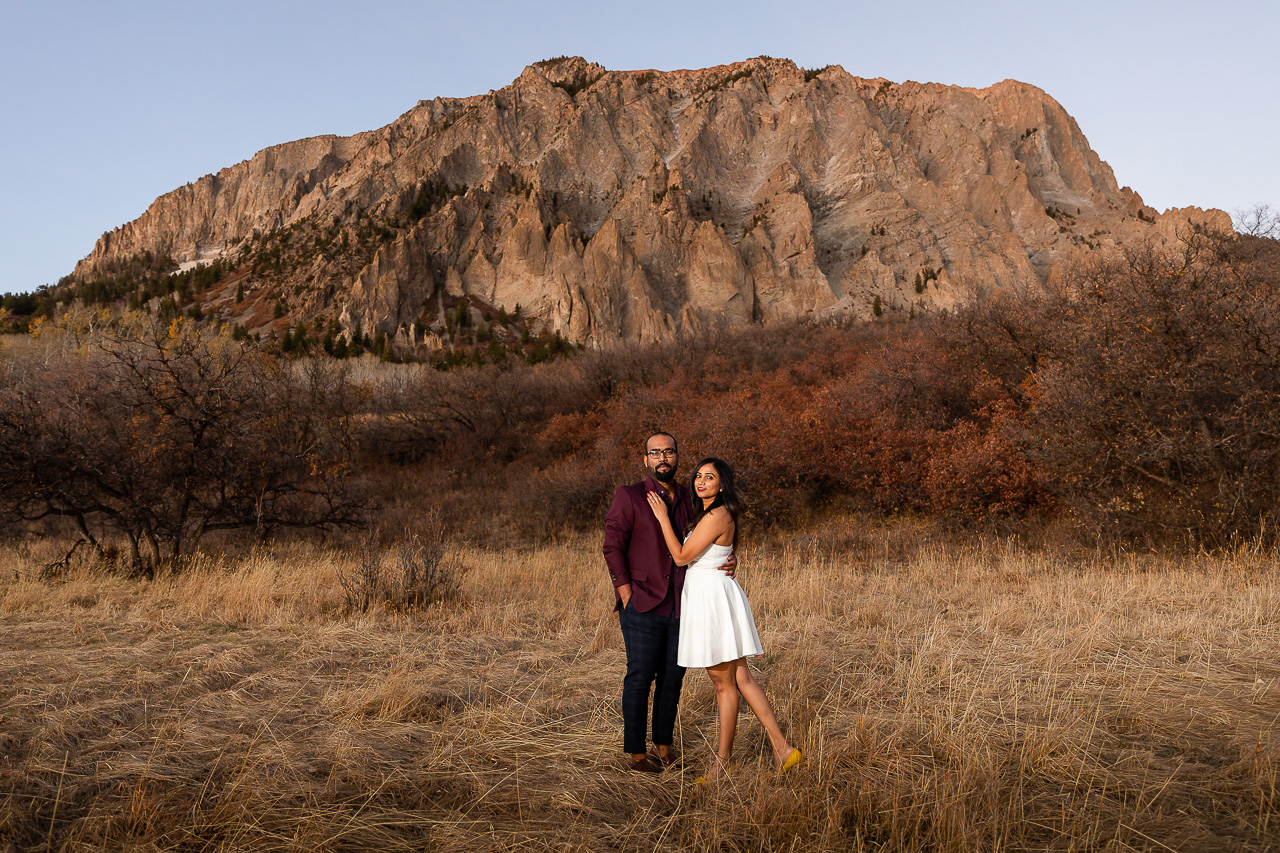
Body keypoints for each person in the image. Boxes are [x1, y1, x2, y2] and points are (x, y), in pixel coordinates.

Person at [646, 457, 802, 782]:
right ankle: (783, 749)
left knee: (723, 685)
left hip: (711, 602)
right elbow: (715, 552)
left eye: (710, 477)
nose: (701, 481)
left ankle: (722, 765)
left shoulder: (717, 514)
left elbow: (680, 557)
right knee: (742, 680)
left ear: (721, 484)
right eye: (699, 476)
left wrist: (661, 517)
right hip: (716, 595)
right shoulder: (714, 514)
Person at [604, 432, 736, 773]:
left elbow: (709, 540)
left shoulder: (693, 500)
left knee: (672, 681)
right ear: (646, 459)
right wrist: (625, 593)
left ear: (677, 457)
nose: (663, 457)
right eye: (656, 452)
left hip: (684, 606)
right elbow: (612, 545)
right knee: (640, 677)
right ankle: (636, 754)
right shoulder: (630, 495)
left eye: (669, 452)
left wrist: (730, 559)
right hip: (642, 604)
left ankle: (664, 746)